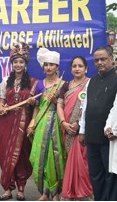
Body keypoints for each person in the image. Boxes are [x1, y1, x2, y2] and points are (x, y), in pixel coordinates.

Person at [0, 43, 37, 202]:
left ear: (26, 64)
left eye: (21, 62)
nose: (18, 65)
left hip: (24, 123)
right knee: (4, 153)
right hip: (7, 123)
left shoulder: (33, 82)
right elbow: (0, 101)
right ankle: (7, 188)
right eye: (15, 62)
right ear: (12, 64)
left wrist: (33, 102)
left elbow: (36, 106)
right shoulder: (6, 81)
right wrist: (1, 107)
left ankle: (21, 189)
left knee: (22, 155)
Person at [27, 48, 67, 201]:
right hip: (41, 123)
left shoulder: (63, 85)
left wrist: (56, 101)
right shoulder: (38, 84)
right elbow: (36, 106)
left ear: (57, 67)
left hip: (56, 123)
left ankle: (55, 193)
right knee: (39, 157)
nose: (48, 67)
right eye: (46, 65)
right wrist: (32, 122)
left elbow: (66, 106)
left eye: (51, 65)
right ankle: (44, 192)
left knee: (54, 157)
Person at [79, 46, 117, 201]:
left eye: (103, 59)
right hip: (92, 135)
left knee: (110, 175)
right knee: (95, 174)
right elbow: (85, 107)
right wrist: (82, 131)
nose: (99, 62)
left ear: (112, 59)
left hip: (110, 138)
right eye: (96, 60)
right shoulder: (91, 81)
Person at [57, 55, 93, 200]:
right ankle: (71, 192)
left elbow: (91, 106)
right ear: (71, 69)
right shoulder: (66, 85)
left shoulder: (91, 84)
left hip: (83, 129)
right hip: (67, 129)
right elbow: (60, 104)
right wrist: (63, 122)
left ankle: (84, 193)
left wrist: (79, 123)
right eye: (74, 66)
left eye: (80, 66)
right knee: (70, 161)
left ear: (86, 68)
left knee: (83, 162)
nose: (77, 68)